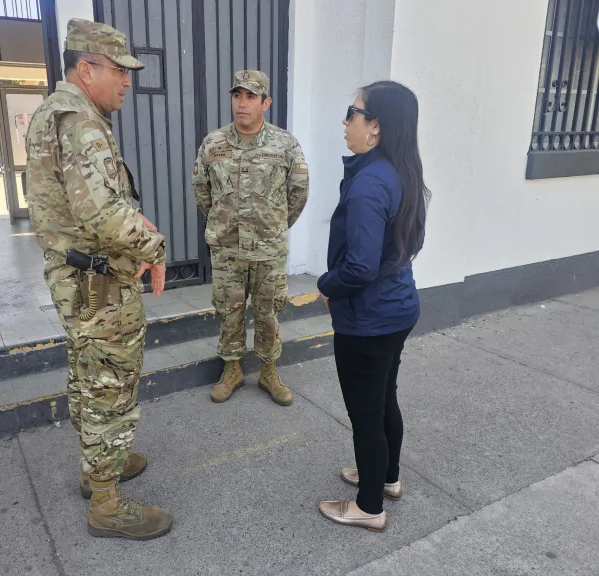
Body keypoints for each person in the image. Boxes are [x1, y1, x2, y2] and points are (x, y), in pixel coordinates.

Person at [25, 19, 172, 541]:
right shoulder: (79, 121)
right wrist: (156, 249)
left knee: (89, 378)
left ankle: (97, 470)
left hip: (79, 279)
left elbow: (86, 207)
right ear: (86, 69)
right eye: (119, 71)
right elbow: (103, 215)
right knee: (110, 386)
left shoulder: (56, 113)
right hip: (100, 285)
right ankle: (107, 504)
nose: (127, 82)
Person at [317, 81, 430, 532]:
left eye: (353, 112)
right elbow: (401, 247)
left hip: (370, 319)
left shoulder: (369, 183)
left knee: (366, 412)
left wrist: (327, 284)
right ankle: (387, 479)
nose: (346, 122)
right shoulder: (401, 170)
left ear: (376, 127)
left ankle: (368, 506)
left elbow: (359, 267)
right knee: (384, 400)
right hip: (398, 308)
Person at [192, 70, 309, 406]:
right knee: (229, 310)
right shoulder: (213, 144)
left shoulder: (285, 144)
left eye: (250, 97)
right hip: (226, 247)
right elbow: (202, 190)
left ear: (265, 102)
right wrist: (223, 222)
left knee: (268, 310)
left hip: (268, 249)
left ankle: (269, 371)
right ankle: (232, 369)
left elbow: (298, 193)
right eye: (237, 96)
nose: (241, 103)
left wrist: (273, 225)